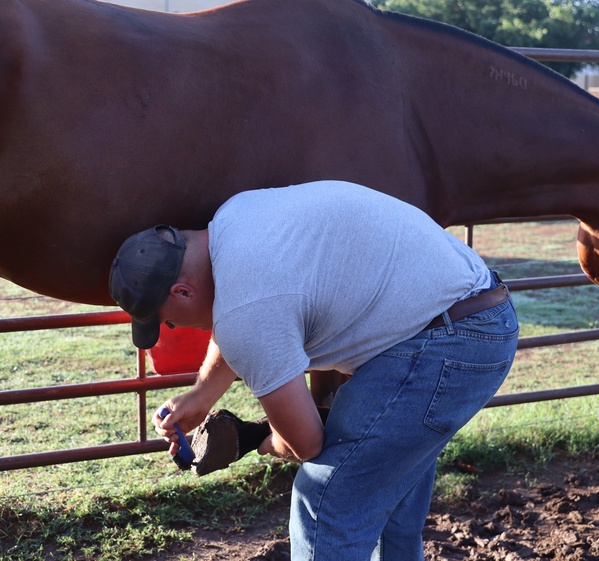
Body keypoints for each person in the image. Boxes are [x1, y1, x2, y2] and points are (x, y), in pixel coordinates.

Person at [109, 180, 518, 560]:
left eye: (166, 318)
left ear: (182, 291)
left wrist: (255, 440)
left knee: (325, 499)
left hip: (445, 344)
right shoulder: (235, 215)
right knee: (382, 486)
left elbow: (307, 445)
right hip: (466, 314)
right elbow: (241, 309)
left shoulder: (243, 312)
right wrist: (201, 395)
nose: (172, 328)